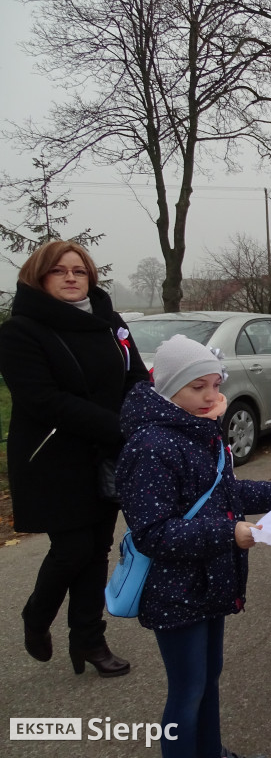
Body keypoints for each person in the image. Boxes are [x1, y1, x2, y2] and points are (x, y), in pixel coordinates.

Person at [117, 335, 271, 758]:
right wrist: (229, 534)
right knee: (187, 689)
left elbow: (226, 493)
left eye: (215, 385)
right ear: (167, 388)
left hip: (210, 578)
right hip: (175, 588)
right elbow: (154, 534)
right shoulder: (150, 447)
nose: (210, 396)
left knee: (210, 678)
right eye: (196, 387)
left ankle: (212, 750)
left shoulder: (199, 433)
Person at [0, 239, 149, 677]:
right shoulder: (20, 331)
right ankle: (36, 614)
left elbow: (136, 377)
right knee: (73, 547)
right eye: (59, 271)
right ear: (39, 277)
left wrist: (138, 419)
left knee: (98, 547)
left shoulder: (109, 323)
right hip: (53, 458)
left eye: (78, 271)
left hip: (106, 454)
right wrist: (117, 425)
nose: (70, 277)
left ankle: (89, 639)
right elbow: (43, 400)